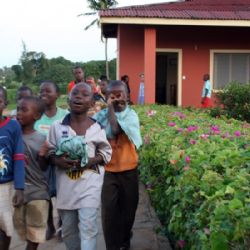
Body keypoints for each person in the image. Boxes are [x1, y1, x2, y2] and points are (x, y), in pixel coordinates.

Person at [47, 82, 112, 250]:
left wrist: (90, 161)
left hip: (90, 186)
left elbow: (106, 153)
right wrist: (58, 161)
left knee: (88, 228)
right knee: (68, 231)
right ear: (68, 99)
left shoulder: (97, 128)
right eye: (75, 94)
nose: (78, 97)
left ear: (92, 103)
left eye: (85, 95)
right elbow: (50, 152)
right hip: (66, 189)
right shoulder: (57, 127)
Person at [94, 80, 142, 250]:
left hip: (129, 171)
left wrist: (110, 111)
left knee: (128, 211)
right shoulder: (100, 116)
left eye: (119, 94)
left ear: (128, 97)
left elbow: (114, 130)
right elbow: (91, 131)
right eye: (111, 95)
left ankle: (124, 238)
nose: (115, 98)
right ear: (105, 97)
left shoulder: (131, 116)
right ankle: (112, 246)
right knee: (109, 213)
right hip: (108, 171)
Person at [14, 96, 50, 250]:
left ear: (37, 116)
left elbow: (44, 167)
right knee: (20, 230)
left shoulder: (42, 139)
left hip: (38, 192)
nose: (18, 113)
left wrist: (43, 155)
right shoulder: (12, 136)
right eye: (18, 109)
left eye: (24, 110)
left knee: (34, 235)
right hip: (17, 191)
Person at [34, 80, 68, 240]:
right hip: (42, 165)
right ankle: (50, 225)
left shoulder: (64, 116)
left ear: (58, 95)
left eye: (48, 91)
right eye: (41, 91)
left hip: (60, 163)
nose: (44, 94)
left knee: (62, 196)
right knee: (45, 197)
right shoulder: (36, 116)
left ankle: (62, 225)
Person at [0, 86, 25, 250]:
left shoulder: (13, 126)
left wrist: (20, 187)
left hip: (6, 186)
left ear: (5, 103)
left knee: (5, 227)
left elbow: (18, 157)